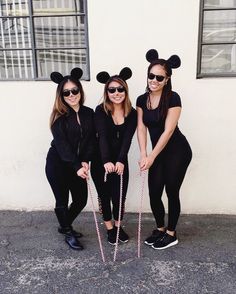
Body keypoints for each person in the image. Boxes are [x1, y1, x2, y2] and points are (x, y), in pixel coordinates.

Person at [136, 49, 192, 250]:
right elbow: (141, 127)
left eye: (160, 77)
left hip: (177, 151)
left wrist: (151, 156)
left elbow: (168, 131)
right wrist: (144, 154)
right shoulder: (142, 100)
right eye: (151, 76)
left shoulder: (173, 98)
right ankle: (160, 229)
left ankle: (171, 233)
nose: (154, 80)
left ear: (167, 79)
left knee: (171, 191)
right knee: (153, 192)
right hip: (156, 153)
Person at [45, 68, 94, 250]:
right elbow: (63, 146)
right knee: (62, 200)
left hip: (78, 164)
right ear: (61, 95)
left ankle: (64, 224)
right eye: (66, 92)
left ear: (80, 90)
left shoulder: (89, 113)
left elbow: (91, 140)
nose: (72, 95)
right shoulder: (59, 117)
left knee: (81, 199)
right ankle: (67, 231)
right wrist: (76, 165)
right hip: (58, 164)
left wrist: (85, 161)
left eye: (75, 90)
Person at [91, 67, 137, 245]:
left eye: (120, 89)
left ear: (125, 90)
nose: (116, 93)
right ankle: (110, 229)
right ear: (106, 92)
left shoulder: (132, 113)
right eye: (112, 90)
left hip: (120, 161)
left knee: (119, 196)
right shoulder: (100, 110)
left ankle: (118, 226)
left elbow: (127, 139)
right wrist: (106, 161)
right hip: (100, 160)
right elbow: (102, 136)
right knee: (104, 196)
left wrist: (120, 160)